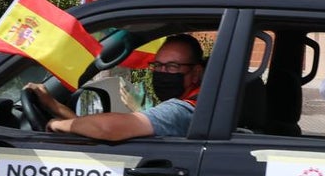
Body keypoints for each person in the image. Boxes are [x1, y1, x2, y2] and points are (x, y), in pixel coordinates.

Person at [24, 34, 205, 141]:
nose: (162, 72)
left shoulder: (183, 111)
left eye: (172, 66)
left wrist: (57, 124)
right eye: (157, 65)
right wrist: (54, 107)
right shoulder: (200, 107)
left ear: (196, 73)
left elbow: (109, 129)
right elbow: (97, 131)